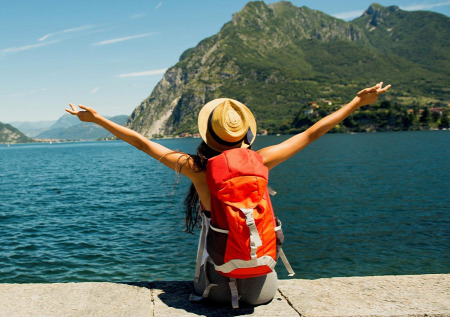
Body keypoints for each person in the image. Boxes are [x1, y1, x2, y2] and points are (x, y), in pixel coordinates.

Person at [65, 82, 391, 306]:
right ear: (246, 133)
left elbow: (142, 142)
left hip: (215, 290)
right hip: (264, 289)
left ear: (208, 134)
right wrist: (357, 102)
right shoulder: (261, 160)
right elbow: (311, 133)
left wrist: (97, 120)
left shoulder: (196, 168)